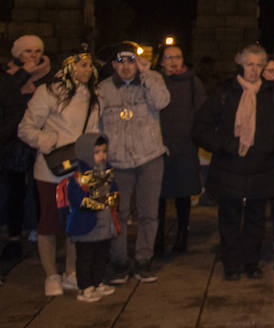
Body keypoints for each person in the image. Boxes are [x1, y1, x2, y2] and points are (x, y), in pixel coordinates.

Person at [193, 45, 274, 281]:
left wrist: (272, 146)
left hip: (261, 169)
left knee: (256, 221)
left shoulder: (272, 95)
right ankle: (231, 264)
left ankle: (251, 263)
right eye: (250, 64)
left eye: (259, 65)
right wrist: (225, 145)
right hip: (230, 168)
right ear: (240, 64)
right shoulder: (224, 93)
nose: (254, 70)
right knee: (229, 220)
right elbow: (200, 129)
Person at [18, 49, 100, 296]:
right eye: (82, 65)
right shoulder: (48, 92)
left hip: (82, 166)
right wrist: (48, 140)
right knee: (49, 222)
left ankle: (71, 272)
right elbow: (25, 128)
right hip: (53, 169)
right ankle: (51, 274)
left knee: (79, 221)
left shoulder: (94, 95)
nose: (87, 70)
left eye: (89, 65)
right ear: (68, 67)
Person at [96, 42, 170, 283]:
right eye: (121, 62)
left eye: (131, 61)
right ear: (114, 64)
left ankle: (144, 260)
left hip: (149, 157)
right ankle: (118, 262)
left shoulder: (152, 79)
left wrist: (147, 75)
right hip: (117, 161)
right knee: (117, 212)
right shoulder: (103, 89)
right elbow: (95, 125)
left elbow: (162, 102)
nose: (126, 67)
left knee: (149, 212)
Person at [1, 35, 48, 262]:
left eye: (37, 51)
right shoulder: (8, 76)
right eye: (28, 51)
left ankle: (41, 230)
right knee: (15, 190)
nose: (33, 56)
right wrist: (24, 74)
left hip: (40, 139)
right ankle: (14, 235)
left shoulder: (47, 74)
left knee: (40, 188)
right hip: (14, 142)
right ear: (18, 54)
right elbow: (9, 97)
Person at [57, 133, 119, 302]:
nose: (102, 155)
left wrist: (111, 200)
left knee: (101, 255)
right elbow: (76, 199)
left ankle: (98, 281)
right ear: (85, 153)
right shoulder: (79, 177)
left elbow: (114, 190)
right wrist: (98, 204)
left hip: (104, 224)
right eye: (97, 152)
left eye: (104, 151)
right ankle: (85, 287)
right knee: (85, 257)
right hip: (86, 226)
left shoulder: (106, 171)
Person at [156, 44, 205, 257]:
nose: (174, 61)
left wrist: (195, 137)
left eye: (178, 56)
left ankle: (182, 236)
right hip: (159, 148)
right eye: (169, 57)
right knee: (157, 196)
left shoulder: (192, 82)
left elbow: (202, 111)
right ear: (161, 61)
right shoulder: (154, 81)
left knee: (182, 196)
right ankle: (156, 239)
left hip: (184, 147)